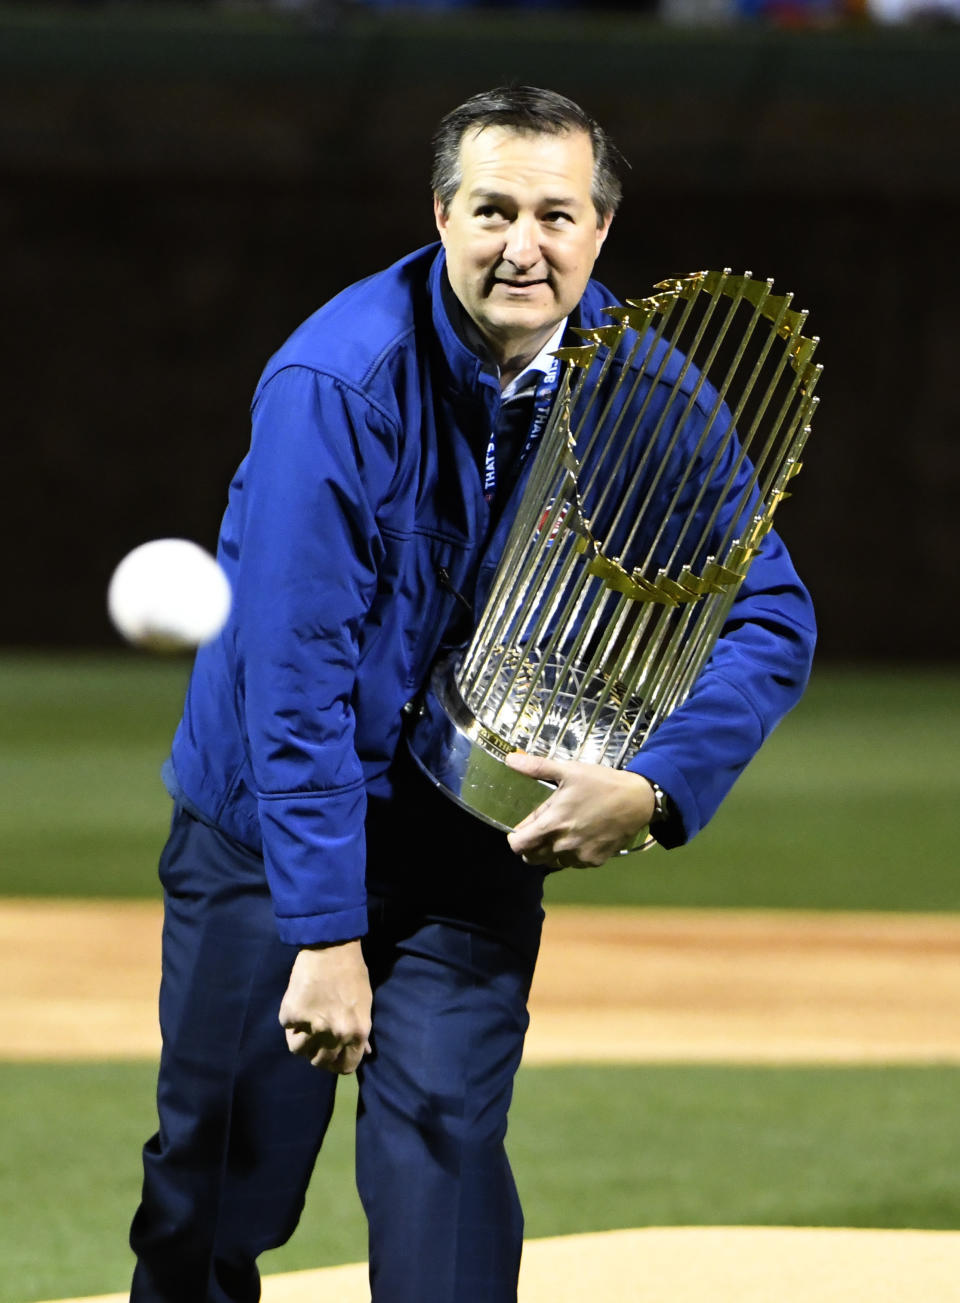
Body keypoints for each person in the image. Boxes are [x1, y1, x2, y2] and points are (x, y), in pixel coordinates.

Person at [129, 85, 815, 1303]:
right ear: (440, 215)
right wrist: (326, 932)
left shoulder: (642, 392)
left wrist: (656, 786)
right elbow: (298, 685)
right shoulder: (337, 385)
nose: (523, 244)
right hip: (269, 836)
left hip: (464, 845)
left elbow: (771, 612)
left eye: (557, 213)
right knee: (220, 1187)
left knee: (443, 1152)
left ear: (601, 231)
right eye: (493, 208)